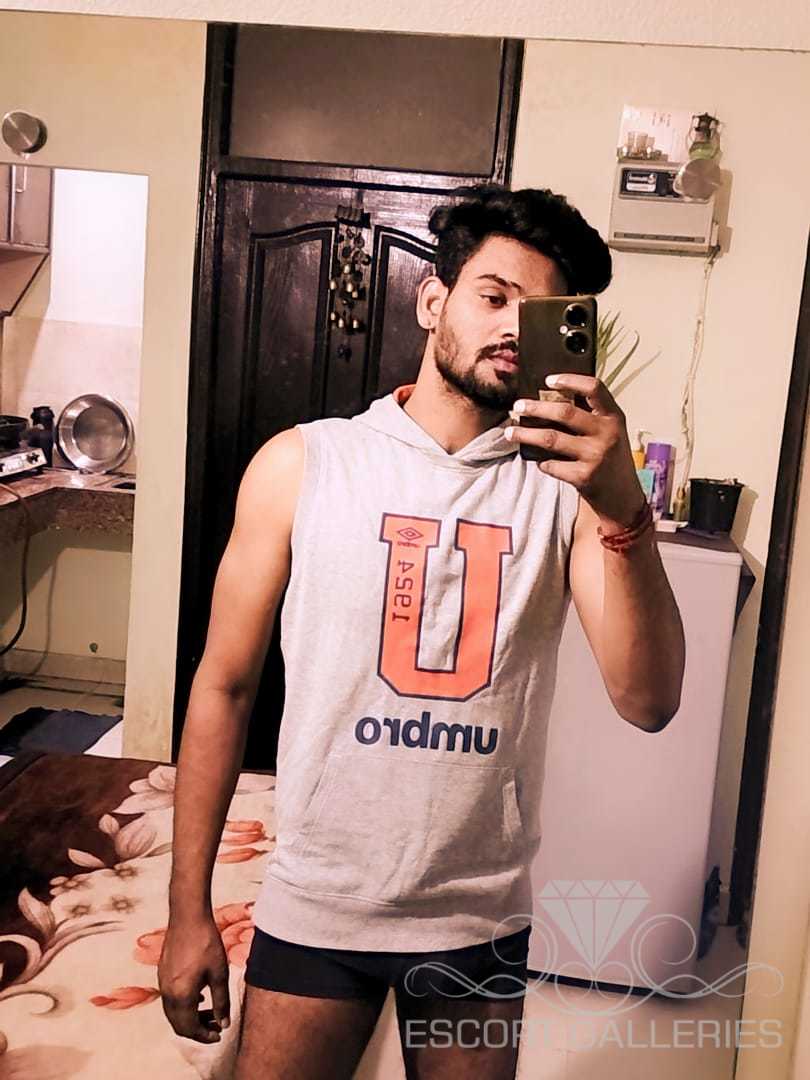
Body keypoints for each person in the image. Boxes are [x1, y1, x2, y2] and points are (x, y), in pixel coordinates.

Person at [158, 184, 685, 1079]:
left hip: (477, 916)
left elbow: (650, 700)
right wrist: (186, 912)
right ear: (432, 300)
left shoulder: (566, 494)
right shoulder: (304, 465)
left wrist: (620, 501)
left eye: (540, 312)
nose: (513, 327)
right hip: (319, 901)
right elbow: (224, 685)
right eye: (494, 296)